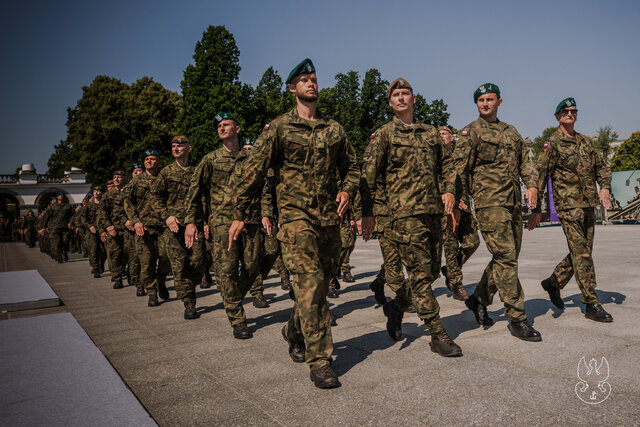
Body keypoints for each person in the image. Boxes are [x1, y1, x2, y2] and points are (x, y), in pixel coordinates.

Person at [228, 58, 360, 389]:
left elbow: (354, 166)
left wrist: (347, 188)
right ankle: (321, 360)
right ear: (292, 88)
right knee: (313, 285)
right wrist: (239, 214)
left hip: (329, 221)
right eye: (304, 79)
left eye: (314, 78)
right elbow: (253, 171)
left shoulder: (334, 129)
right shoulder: (280, 129)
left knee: (315, 286)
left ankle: (293, 330)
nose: (311, 83)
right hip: (295, 221)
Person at [361, 77, 462, 357]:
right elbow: (367, 176)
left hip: (433, 213)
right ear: (390, 102)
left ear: (414, 99)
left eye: (406, 94)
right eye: (396, 95)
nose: (401, 98)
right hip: (403, 216)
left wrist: (450, 191)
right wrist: (366, 213)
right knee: (419, 275)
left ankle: (395, 307)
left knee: (429, 273)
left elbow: (447, 166)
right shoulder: (384, 135)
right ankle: (438, 333)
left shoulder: (430, 133)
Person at [454, 83, 541, 341]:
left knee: (507, 257)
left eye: (489, 99)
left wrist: (533, 185)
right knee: (506, 257)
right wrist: (459, 199)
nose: (484, 103)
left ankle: (479, 298)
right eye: (480, 100)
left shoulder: (511, 132)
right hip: (488, 203)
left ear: (499, 102)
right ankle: (517, 318)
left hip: (513, 203)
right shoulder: (471, 132)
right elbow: (459, 168)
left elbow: (527, 162)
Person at [527, 98, 613, 322]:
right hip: (568, 207)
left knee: (583, 252)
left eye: (573, 111)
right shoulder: (552, 144)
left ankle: (553, 282)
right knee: (582, 253)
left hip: (587, 205)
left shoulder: (585, 141)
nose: (570, 114)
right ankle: (591, 303)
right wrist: (536, 210)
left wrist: (604, 187)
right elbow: (540, 174)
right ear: (557, 116)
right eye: (565, 111)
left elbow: (601, 166)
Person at [185, 113, 265, 337]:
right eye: (219, 126)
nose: (222, 128)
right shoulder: (210, 160)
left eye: (226, 124)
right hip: (221, 222)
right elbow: (195, 191)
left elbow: (264, 187)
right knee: (227, 271)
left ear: (237, 129)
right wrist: (192, 221)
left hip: (250, 220)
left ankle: (232, 297)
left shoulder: (252, 158)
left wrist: (267, 214)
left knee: (253, 266)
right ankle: (237, 318)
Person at [150, 136, 204, 319]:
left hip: (195, 224)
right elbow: (155, 197)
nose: (176, 148)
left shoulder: (198, 171)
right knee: (179, 265)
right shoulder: (166, 172)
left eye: (180, 146)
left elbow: (205, 197)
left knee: (199, 262)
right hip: (173, 228)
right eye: (173, 146)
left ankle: (189, 287)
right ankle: (189, 302)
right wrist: (167, 217)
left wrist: (206, 222)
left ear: (189, 148)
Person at [125, 149, 171, 307]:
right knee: (147, 261)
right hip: (143, 228)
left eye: (153, 159)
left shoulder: (165, 178)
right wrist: (135, 220)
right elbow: (128, 203)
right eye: (147, 160)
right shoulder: (137, 181)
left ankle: (161, 281)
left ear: (159, 162)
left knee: (166, 257)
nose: (150, 161)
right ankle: (152, 292)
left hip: (164, 226)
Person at [438, 125, 480, 301]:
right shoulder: (435, 158)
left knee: (473, 242)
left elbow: (466, 179)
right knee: (451, 247)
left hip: (463, 206)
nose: (441, 136)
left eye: (444, 133)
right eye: (438, 134)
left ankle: (451, 269)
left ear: (451, 137)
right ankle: (456, 285)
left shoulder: (459, 156)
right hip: (445, 208)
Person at [98, 171, 128, 289]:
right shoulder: (108, 195)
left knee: (129, 254)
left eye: (119, 177)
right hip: (114, 229)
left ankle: (131, 274)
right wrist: (108, 226)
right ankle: (118, 278)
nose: (116, 179)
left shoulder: (129, 191)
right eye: (114, 177)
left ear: (125, 178)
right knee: (115, 254)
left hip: (128, 228)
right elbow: (102, 213)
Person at [81, 186, 107, 277]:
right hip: (92, 231)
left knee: (103, 250)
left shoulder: (105, 204)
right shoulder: (88, 205)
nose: (96, 192)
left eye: (98, 190)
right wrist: (89, 226)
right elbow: (83, 218)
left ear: (102, 193)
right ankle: (95, 268)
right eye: (95, 191)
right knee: (93, 250)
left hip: (103, 230)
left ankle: (101, 263)